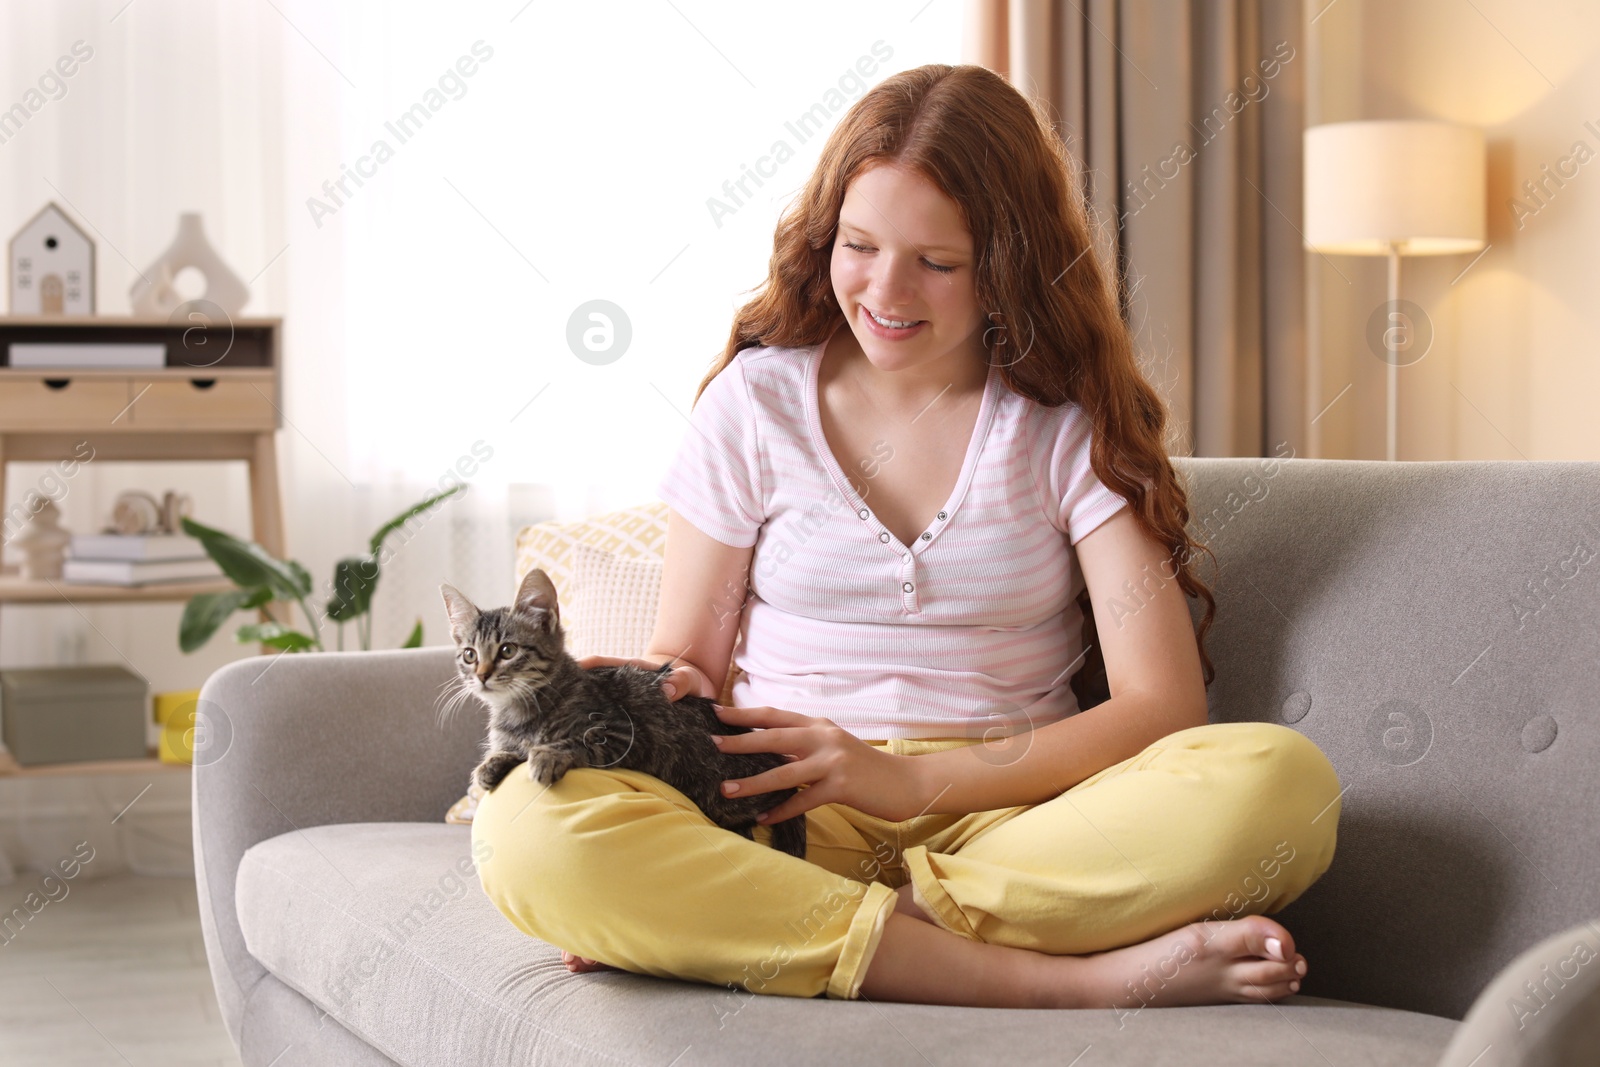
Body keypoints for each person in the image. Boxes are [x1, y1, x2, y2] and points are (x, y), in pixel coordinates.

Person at [472, 63, 1341, 1012]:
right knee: (525, 830)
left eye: (937, 262)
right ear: (826, 237)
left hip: (1011, 821)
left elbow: (1163, 703)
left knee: (1283, 786)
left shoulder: (1064, 423)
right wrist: (636, 698)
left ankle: (808, 929)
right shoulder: (754, 405)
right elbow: (691, 663)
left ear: (1007, 264)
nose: (886, 290)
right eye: (859, 244)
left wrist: (899, 779)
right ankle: (1080, 983)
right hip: (773, 813)